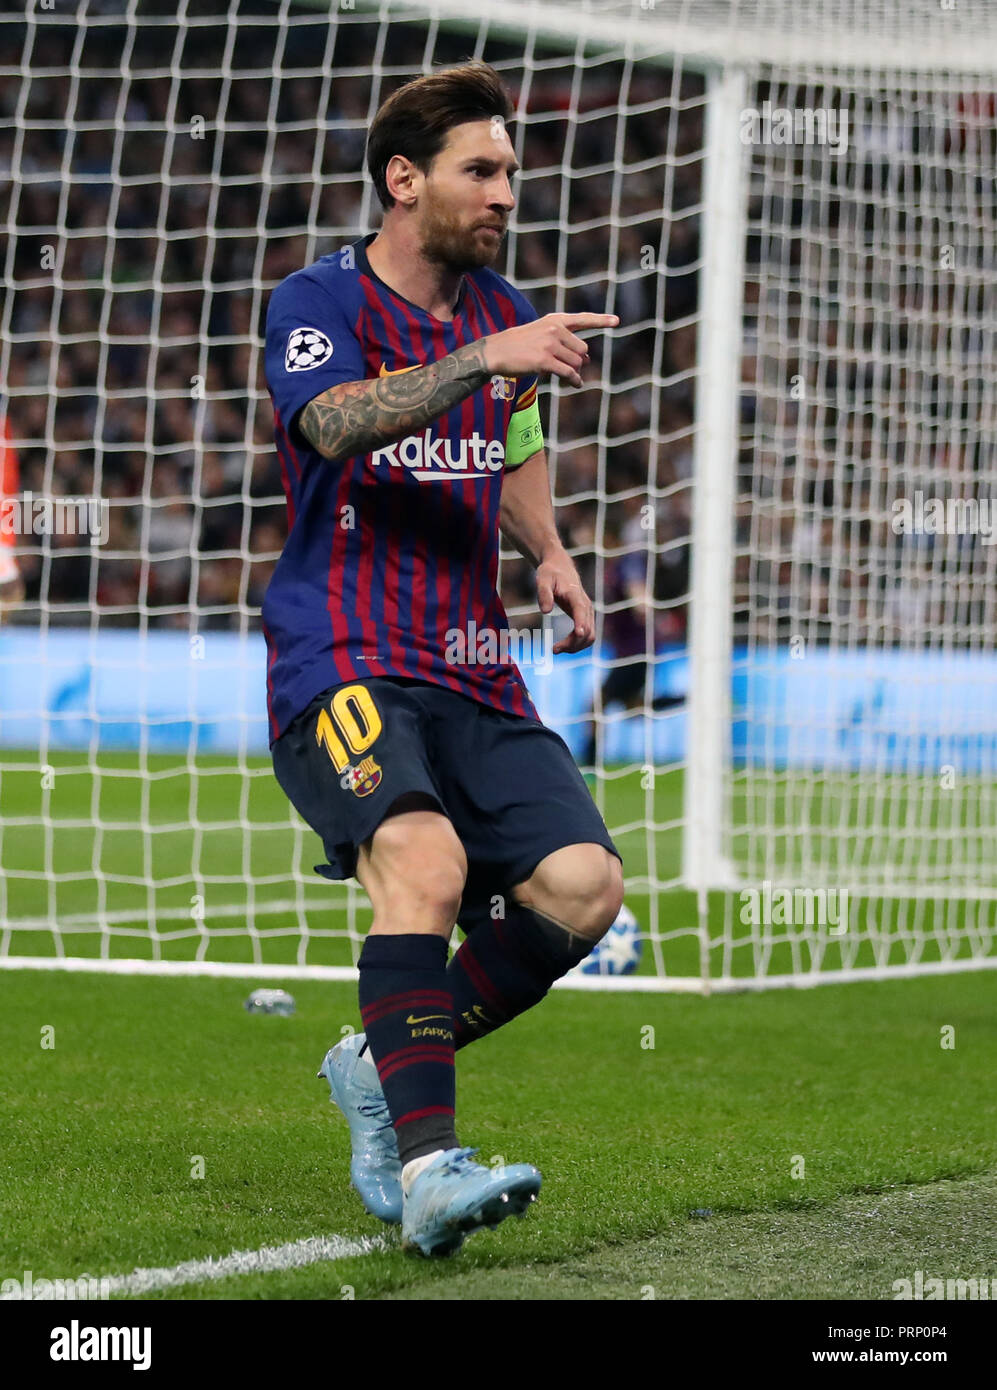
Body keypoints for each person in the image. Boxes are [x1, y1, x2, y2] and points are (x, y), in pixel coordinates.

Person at [262, 61, 623, 1257]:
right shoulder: (315, 300)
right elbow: (335, 423)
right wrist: (484, 356)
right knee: (421, 857)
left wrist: (552, 552)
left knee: (581, 888)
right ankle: (427, 1168)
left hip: (469, 653)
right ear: (403, 180)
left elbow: (514, 434)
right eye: (484, 169)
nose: (507, 193)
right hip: (343, 650)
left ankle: (378, 1062)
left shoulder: (498, 310)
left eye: (511, 171)